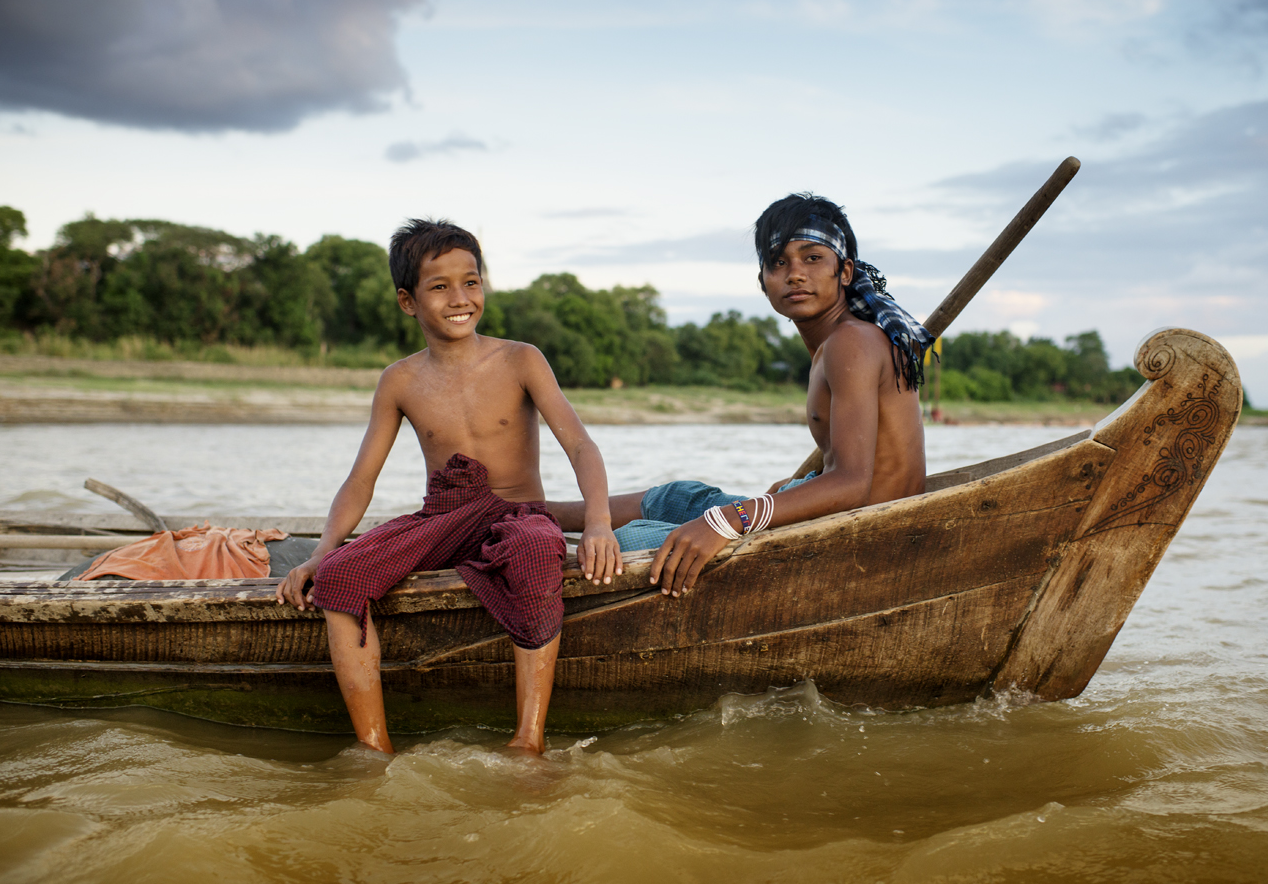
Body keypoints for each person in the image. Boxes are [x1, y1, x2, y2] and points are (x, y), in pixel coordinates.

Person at [276, 219, 622, 756]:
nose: (460, 298)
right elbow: (361, 479)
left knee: (536, 547)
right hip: (444, 516)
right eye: (439, 287)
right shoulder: (401, 380)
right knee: (341, 577)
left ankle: (528, 739)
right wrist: (323, 550)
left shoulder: (520, 359)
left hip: (515, 514)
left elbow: (580, 445)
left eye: (472, 281)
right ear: (408, 301)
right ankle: (373, 747)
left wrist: (599, 522)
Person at [550, 193, 933, 597]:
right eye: (778, 262)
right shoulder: (838, 341)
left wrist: (728, 521)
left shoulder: (850, 343)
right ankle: (537, 514)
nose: (795, 274)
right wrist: (798, 484)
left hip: (859, 534)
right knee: (676, 497)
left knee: (631, 543)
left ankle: (533, 540)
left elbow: (854, 483)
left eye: (813, 258)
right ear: (762, 280)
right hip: (838, 514)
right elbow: (855, 461)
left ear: (845, 271)